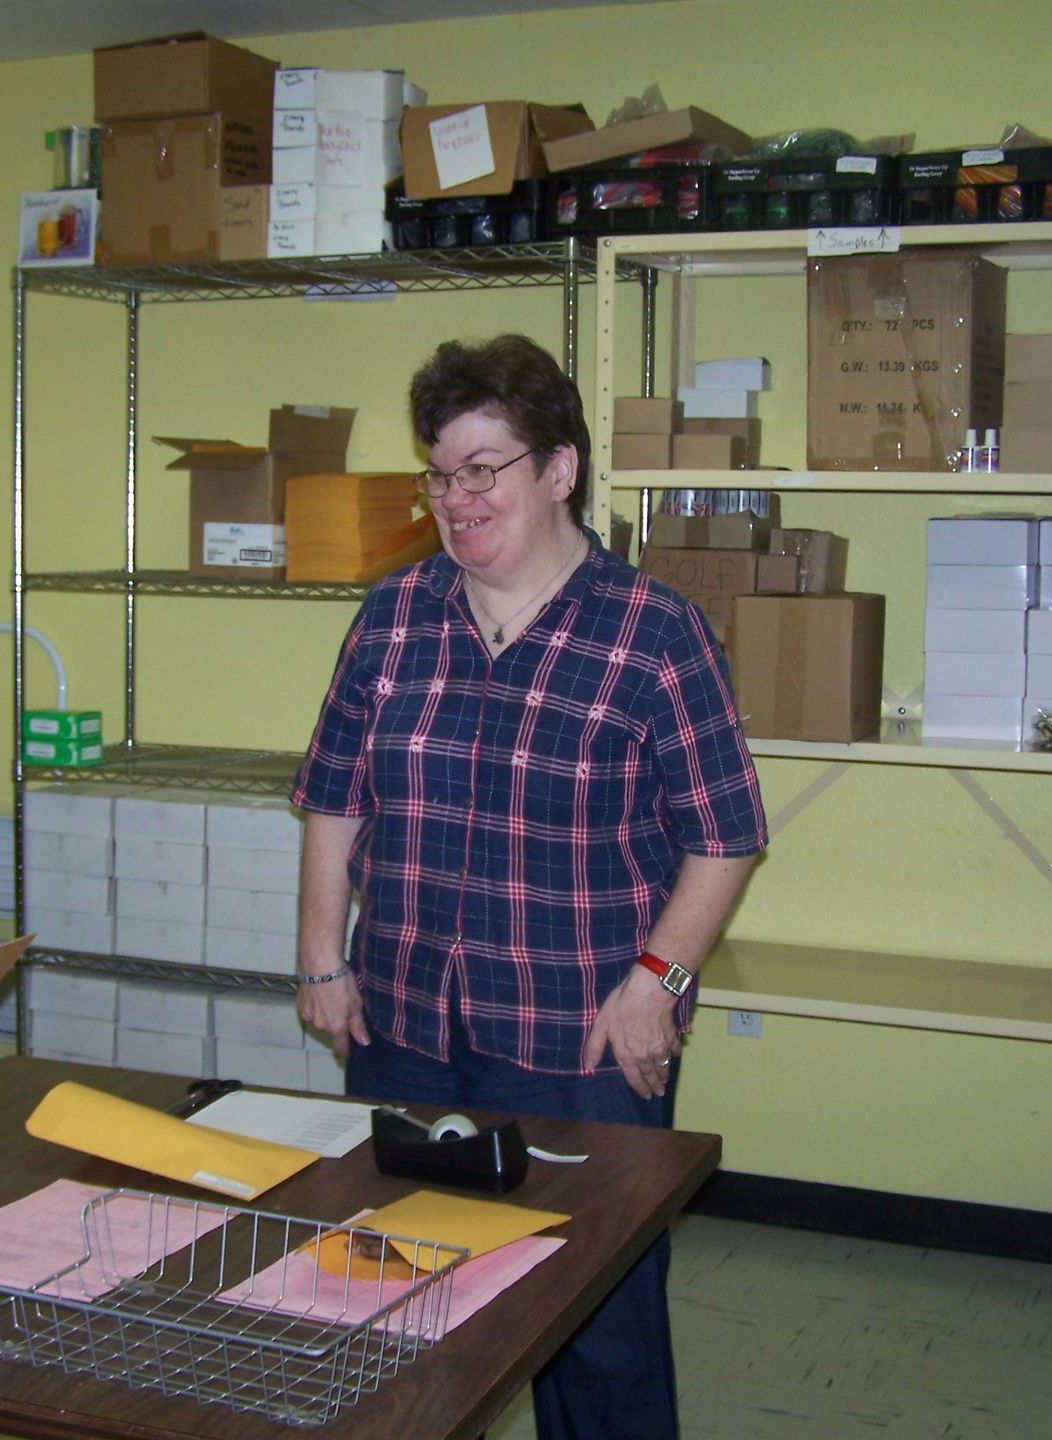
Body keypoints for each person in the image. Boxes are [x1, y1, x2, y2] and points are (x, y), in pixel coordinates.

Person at [290, 333, 766, 1440]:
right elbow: (333, 797)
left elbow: (726, 836)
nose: (455, 498)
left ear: (560, 470)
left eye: (483, 468)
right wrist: (322, 954)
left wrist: (659, 978)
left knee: (596, 1325)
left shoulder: (653, 636)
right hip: (406, 1022)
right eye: (440, 472)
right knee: (402, 1303)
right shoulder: (394, 617)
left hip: (583, 1040)